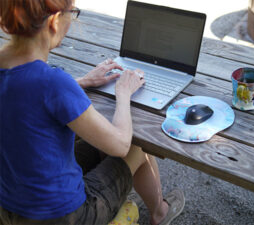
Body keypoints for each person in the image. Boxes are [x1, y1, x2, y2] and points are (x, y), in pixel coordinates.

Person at [0, 0, 185, 225]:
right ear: (54, 21)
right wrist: (124, 93)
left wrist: (83, 81)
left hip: (10, 206)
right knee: (137, 145)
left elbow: (26, 93)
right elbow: (120, 144)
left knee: (96, 139)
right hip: (66, 217)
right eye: (72, 13)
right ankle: (160, 212)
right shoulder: (54, 83)